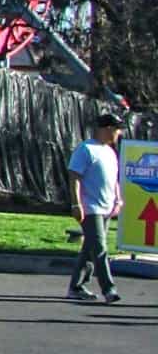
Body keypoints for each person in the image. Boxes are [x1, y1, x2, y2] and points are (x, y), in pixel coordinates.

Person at [67, 113, 123, 304]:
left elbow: (114, 179)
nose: (119, 133)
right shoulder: (86, 149)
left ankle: (76, 286)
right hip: (90, 208)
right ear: (107, 129)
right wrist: (76, 204)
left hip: (106, 207)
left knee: (90, 247)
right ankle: (109, 289)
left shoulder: (110, 151)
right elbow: (74, 176)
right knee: (100, 248)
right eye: (117, 129)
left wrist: (118, 199)